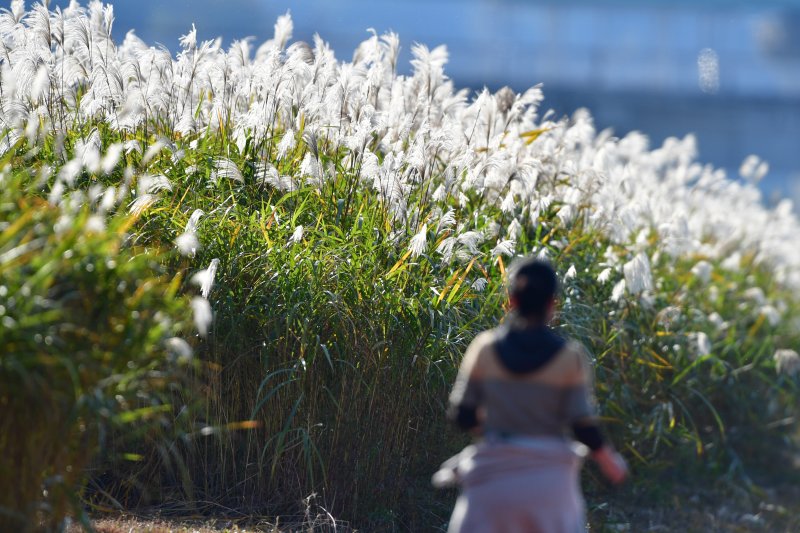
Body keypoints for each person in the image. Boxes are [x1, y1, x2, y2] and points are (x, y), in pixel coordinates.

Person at [433, 257, 628, 533]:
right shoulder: (570, 356)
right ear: (552, 304)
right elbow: (583, 427)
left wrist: (499, 428)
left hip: (491, 489)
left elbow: (460, 415)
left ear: (511, 301)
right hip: (551, 490)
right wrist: (611, 462)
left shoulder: (484, 348)